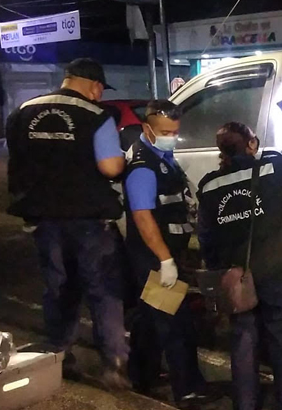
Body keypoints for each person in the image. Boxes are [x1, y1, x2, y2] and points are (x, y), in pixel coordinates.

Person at [5, 58, 130, 389]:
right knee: (102, 289)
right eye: (100, 90)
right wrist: (123, 160)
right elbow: (110, 167)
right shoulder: (95, 115)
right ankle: (114, 364)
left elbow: (16, 159)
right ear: (94, 86)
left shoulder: (22, 112)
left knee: (58, 287)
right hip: (88, 217)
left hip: (43, 217)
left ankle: (59, 355)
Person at [197, 111, 282, 410]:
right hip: (278, 272)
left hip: (238, 278)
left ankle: (245, 404)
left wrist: (221, 272)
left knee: (243, 342)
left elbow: (206, 237)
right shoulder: (272, 167)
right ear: (251, 144)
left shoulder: (209, 186)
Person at [122, 100, 208, 408]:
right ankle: (187, 390)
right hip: (154, 257)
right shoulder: (143, 167)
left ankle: (141, 375)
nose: (172, 137)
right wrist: (165, 260)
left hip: (165, 254)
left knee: (149, 318)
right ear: (148, 129)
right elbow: (143, 217)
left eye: (175, 131)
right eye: (166, 132)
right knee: (175, 323)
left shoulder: (162, 156)